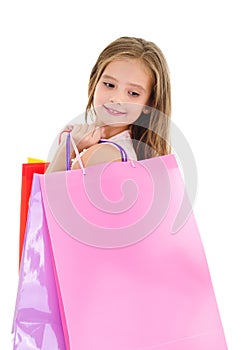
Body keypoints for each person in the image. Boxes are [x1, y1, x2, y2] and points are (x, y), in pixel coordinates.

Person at [45, 36, 171, 173]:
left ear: (149, 104)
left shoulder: (107, 154)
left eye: (133, 93)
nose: (116, 99)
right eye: (109, 85)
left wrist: (67, 148)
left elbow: (46, 194)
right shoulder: (110, 145)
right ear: (94, 82)